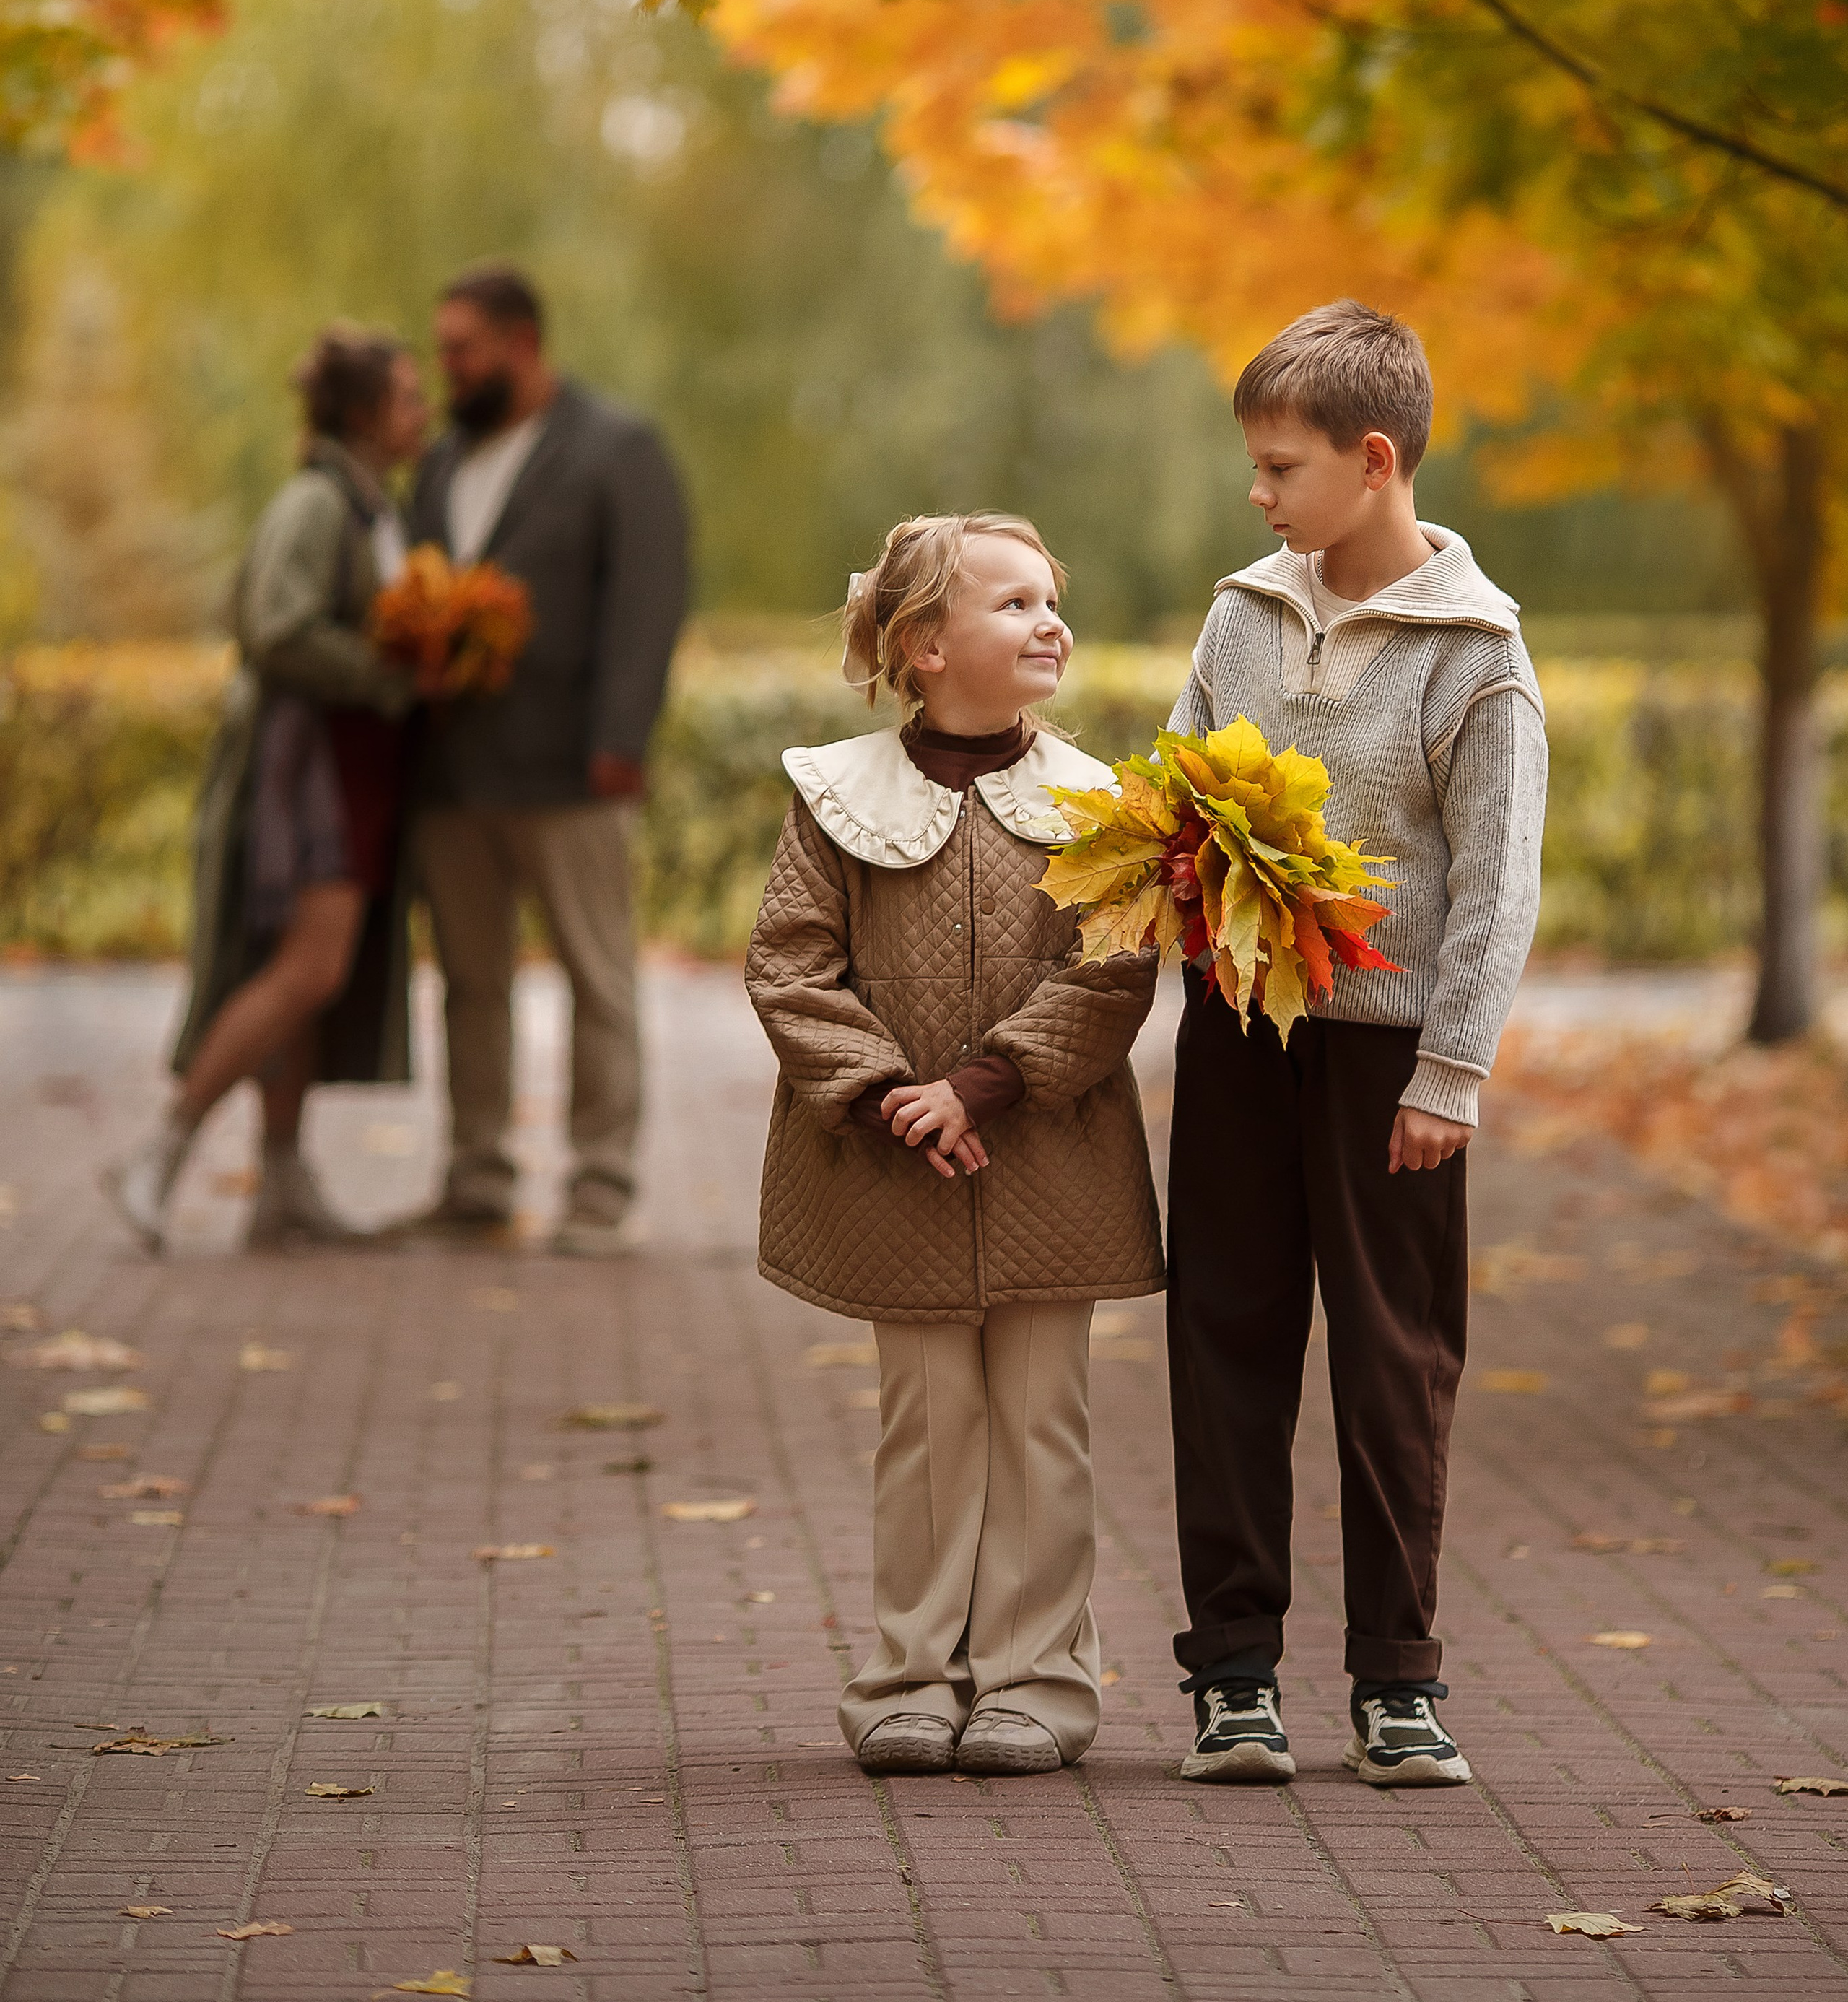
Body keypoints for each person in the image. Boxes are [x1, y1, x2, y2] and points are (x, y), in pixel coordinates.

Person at [1164, 300, 1547, 1790]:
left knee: (1392, 1356)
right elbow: (1176, 784)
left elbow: (1492, 877)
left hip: (1391, 1060)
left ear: (1371, 461)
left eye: (1279, 468)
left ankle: (1396, 1678)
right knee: (1225, 1336)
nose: (1257, 496)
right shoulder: (1239, 614)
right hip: (1237, 1033)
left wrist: (1449, 1072)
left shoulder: (1477, 655)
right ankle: (1230, 1675)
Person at [747, 512, 1164, 1777]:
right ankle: (911, 1673)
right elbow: (790, 963)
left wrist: (980, 1086)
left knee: (1043, 1415)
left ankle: (1039, 1677)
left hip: (1051, 1159)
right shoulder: (836, 797)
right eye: (1016, 605)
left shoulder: (1102, 802)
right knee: (927, 1418)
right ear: (924, 645)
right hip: (894, 1167)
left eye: (1053, 599)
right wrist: (887, 1093)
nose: (1052, 624)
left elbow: (1118, 966)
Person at [105, 325, 430, 1252]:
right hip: (309, 775)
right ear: (368, 413)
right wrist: (391, 675)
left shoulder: (372, 505)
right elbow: (276, 626)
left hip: (351, 772)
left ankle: (281, 1180)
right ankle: (159, 1152)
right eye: (408, 397)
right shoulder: (318, 505)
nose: (423, 412)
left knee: (313, 978)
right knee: (305, 968)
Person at [406, 263, 689, 1256]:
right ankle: (476, 1179)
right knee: (468, 984)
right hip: (454, 774)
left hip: (576, 768)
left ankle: (600, 1189)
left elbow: (648, 600)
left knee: (596, 978)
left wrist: (622, 738)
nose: (448, 369)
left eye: (461, 349)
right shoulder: (442, 461)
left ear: (521, 342)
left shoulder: (618, 447)